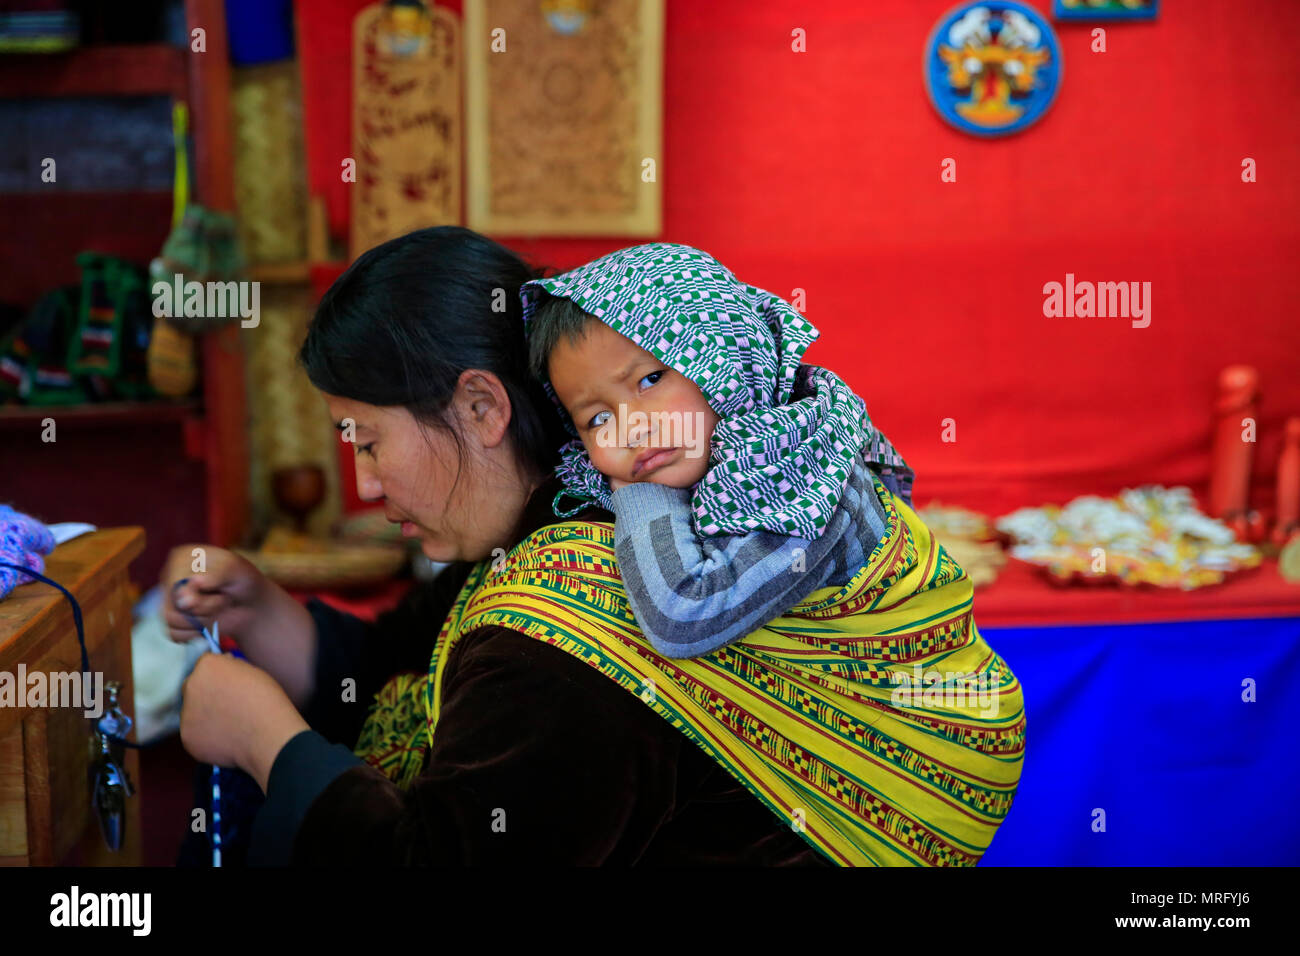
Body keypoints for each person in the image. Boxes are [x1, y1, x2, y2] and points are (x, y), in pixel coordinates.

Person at [166, 226, 1026, 866]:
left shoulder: (564, 631)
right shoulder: (541, 528)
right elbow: (399, 659)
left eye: (368, 440)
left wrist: (265, 743)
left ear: (480, 408)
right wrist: (258, 604)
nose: (366, 482)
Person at [522, 242, 914, 659]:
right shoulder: (712, 463)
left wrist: (636, 491)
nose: (631, 429)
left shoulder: (804, 463)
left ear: (728, 355)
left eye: (651, 380)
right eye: (597, 419)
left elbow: (683, 617)